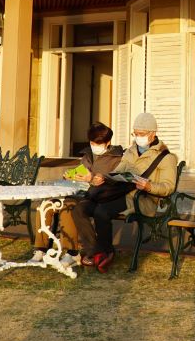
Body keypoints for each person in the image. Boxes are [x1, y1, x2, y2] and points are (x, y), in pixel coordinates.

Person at [84, 112, 178, 272]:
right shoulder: (131, 151)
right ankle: (97, 249)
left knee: (101, 211)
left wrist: (149, 186)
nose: (138, 138)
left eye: (141, 134)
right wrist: (106, 177)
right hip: (124, 193)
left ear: (152, 134)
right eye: (135, 134)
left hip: (143, 199)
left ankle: (105, 252)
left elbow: (168, 187)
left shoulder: (166, 157)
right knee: (84, 207)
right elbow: (119, 170)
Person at [30, 121, 123, 266]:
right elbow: (81, 171)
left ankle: (71, 253)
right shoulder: (87, 154)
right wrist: (71, 175)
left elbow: (112, 181)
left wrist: (91, 179)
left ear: (108, 142)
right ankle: (40, 249)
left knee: (69, 206)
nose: (94, 146)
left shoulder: (117, 158)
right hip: (78, 191)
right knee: (46, 205)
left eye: (98, 143)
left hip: (95, 197)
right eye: (92, 142)